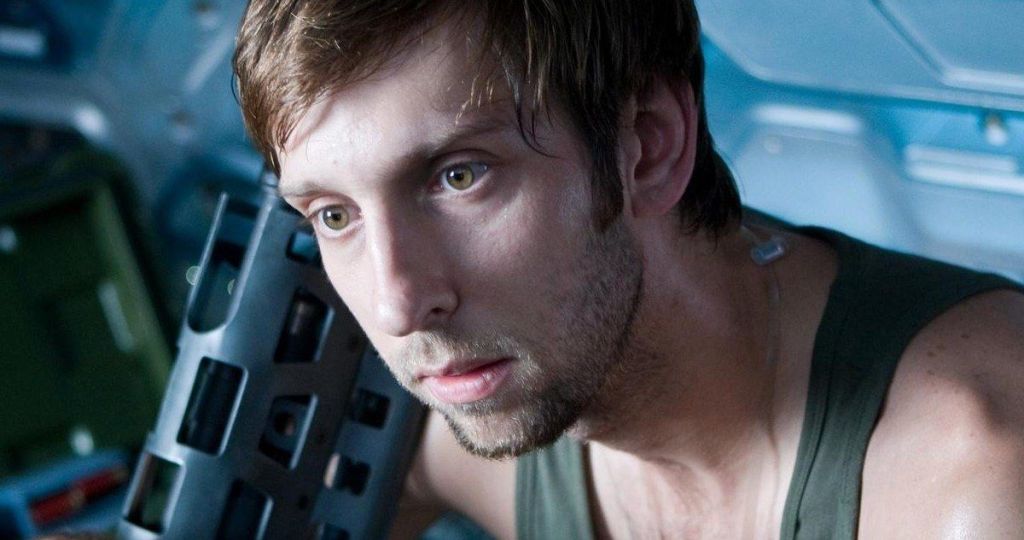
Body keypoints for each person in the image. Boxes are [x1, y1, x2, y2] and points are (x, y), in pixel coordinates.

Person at [233, 1, 1024, 537]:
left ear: (647, 147)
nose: (399, 303)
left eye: (459, 176)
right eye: (334, 215)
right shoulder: (458, 420)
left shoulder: (972, 477)